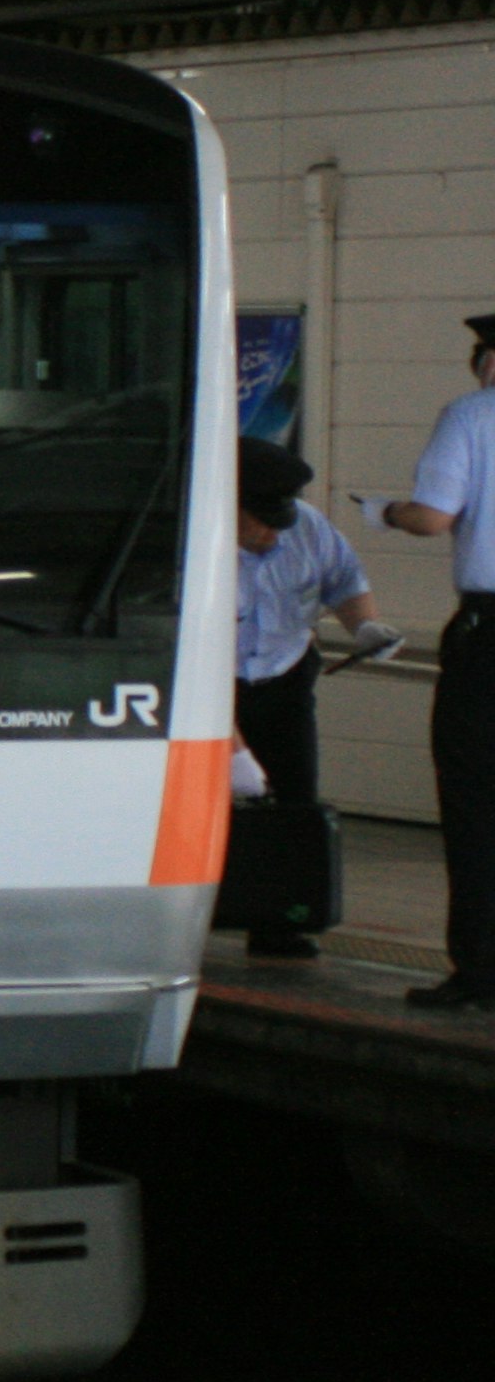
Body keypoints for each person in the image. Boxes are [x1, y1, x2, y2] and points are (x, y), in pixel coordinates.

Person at [228, 439, 394, 958]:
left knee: (294, 801)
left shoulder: (308, 526)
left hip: (285, 677)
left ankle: (280, 923)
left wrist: (365, 626)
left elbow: (344, 583)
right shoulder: (187, 540)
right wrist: (231, 748)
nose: (275, 531)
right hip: (214, 687)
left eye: (281, 518)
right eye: (261, 519)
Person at [381, 313, 495, 1009]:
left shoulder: (472, 415)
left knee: (476, 801)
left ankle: (481, 971)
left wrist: (390, 511)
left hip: (490, 635)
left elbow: (435, 516)